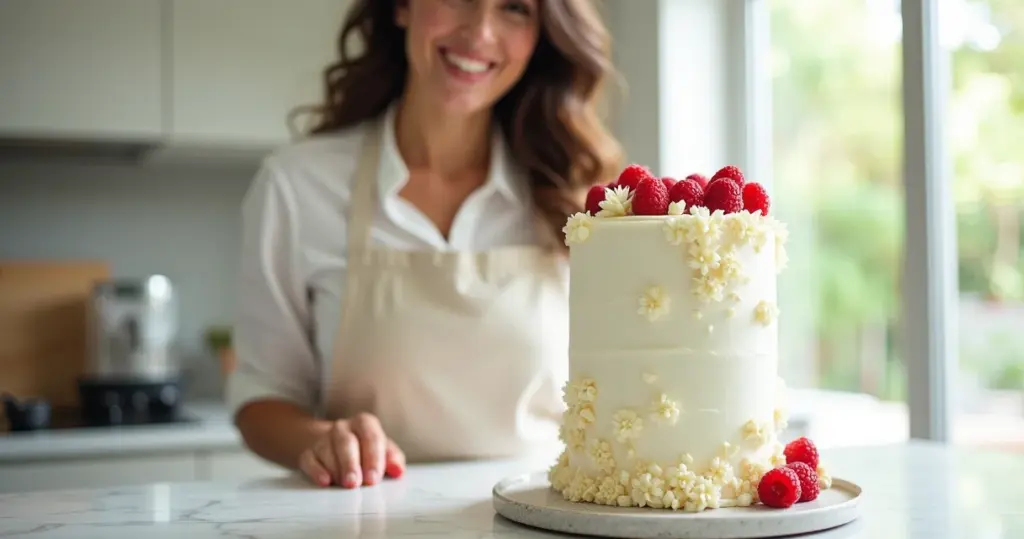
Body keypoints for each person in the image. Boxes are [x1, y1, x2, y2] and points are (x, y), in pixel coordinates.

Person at [227, 0, 622, 490]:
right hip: (364, 515)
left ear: (542, 34)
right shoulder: (298, 186)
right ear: (401, 8)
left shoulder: (573, 199)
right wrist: (321, 438)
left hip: (541, 511)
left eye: (515, 9)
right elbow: (261, 400)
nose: (479, 32)